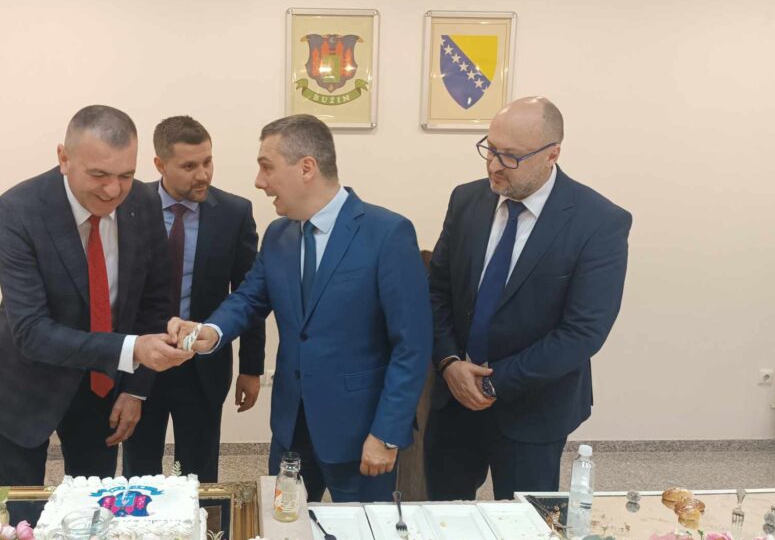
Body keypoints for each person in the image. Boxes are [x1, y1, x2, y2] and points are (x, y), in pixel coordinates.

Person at [170, 114, 432, 502]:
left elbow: (412, 345)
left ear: (306, 167)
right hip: (290, 430)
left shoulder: (387, 233)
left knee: (361, 537)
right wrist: (211, 331)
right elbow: (249, 298)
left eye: (267, 167)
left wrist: (387, 433)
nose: (259, 181)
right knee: (283, 530)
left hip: (360, 434)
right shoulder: (279, 235)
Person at [0, 105, 193, 522]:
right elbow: (31, 331)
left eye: (126, 175)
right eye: (99, 175)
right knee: (22, 517)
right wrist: (132, 350)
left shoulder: (143, 202)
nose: (113, 190)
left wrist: (135, 389)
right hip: (24, 385)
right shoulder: (18, 210)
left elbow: (155, 302)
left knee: (93, 512)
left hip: (101, 387)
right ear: (63, 158)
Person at [425, 96, 632, 500]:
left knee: (525, 529)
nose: (494, 165)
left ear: (552, 154)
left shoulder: (599, 222)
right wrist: (449, 363)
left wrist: (492, 383)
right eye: (490, 149)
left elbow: (582, 332)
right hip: (454, 401)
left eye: (511, 156)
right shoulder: (466, 200)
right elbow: (437, 291)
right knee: (443, 518)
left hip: (534, 411)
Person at [122, 116, 266, 483]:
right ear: (160, 164)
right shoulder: (128, 207)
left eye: (207, 162)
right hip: (142, 362)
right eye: (189, 166)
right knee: (139, 473)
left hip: (202, 366)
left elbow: (249, 293)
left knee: (199, 477)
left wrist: (251, 368)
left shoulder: (234, 213)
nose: (203, 175)